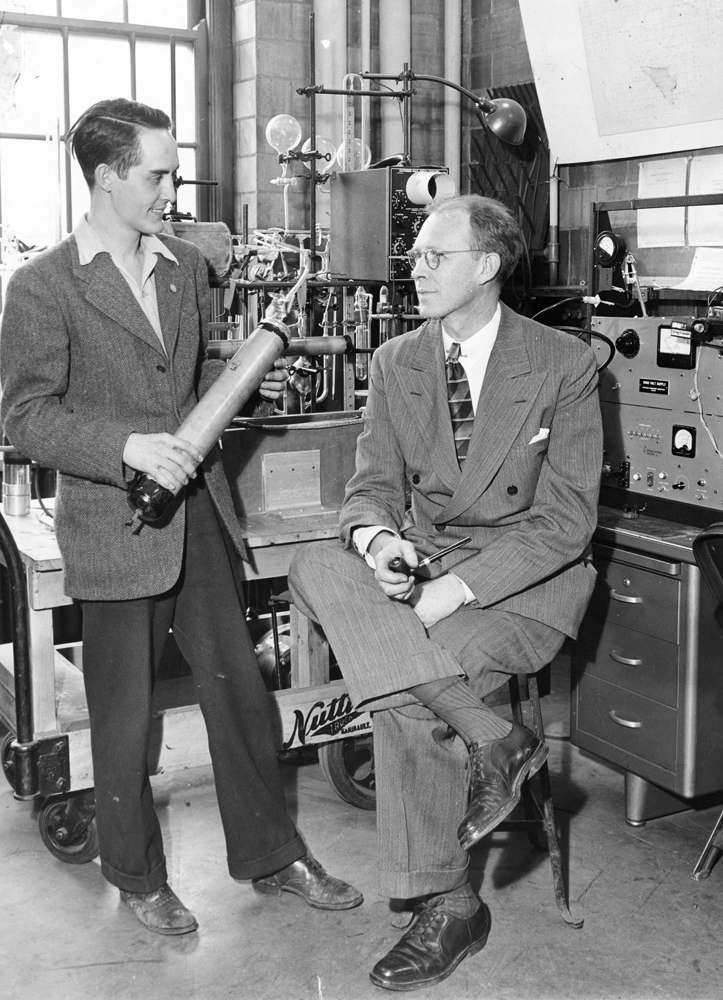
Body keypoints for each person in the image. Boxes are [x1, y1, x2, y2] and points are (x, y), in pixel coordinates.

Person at [0, 97, 362, 936]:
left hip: (200, 515)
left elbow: (188, 378)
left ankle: (273, 856)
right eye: (156, 173)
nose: (172, 187)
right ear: (105, 176)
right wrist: (128, 446)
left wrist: (240, 389)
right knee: (122, 715)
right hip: (115, 522)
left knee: (241, 692)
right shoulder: (45, 285)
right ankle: (135, 874)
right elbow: (27, 417)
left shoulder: (182, 268)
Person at [288, 194, 602, 991]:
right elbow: (368, 489)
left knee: (403, 698)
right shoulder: (398, 361)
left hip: (521, 580)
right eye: (415, 257)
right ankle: (490, 735)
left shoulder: (562, 364)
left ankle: (451, 902)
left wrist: (452, 591)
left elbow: (565, 522)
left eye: (435, 256)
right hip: (424, 562)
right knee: (315, 564)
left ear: (487, 267)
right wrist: (380, 541)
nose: (415, 269)